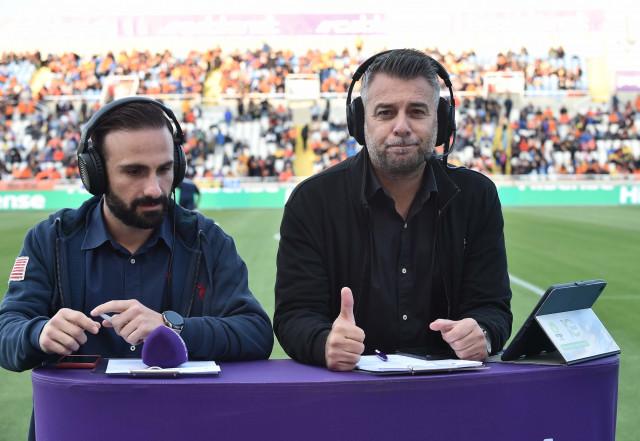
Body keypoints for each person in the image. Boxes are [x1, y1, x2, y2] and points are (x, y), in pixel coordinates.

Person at [0, 97, 273, 439]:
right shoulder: (50, 239)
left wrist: (171, 328)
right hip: (78, 425)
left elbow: (255, 333)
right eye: (134, 171)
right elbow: (6, 332)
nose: (154, 188)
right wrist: (38, 333)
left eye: (164, 169)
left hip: (181, 425)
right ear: (95, 174)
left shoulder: (208, 241)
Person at [274, 49, 512, 371]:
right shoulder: (312, 202)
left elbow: (493, 308)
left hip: (450, 386)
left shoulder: (477, 197)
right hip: (348, 389)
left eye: (417, 111)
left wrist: (482, 332)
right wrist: (324, 341)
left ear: (441, 120)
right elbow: (294, 315)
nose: (401, 126)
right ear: (360, 121)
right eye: (385, 113)